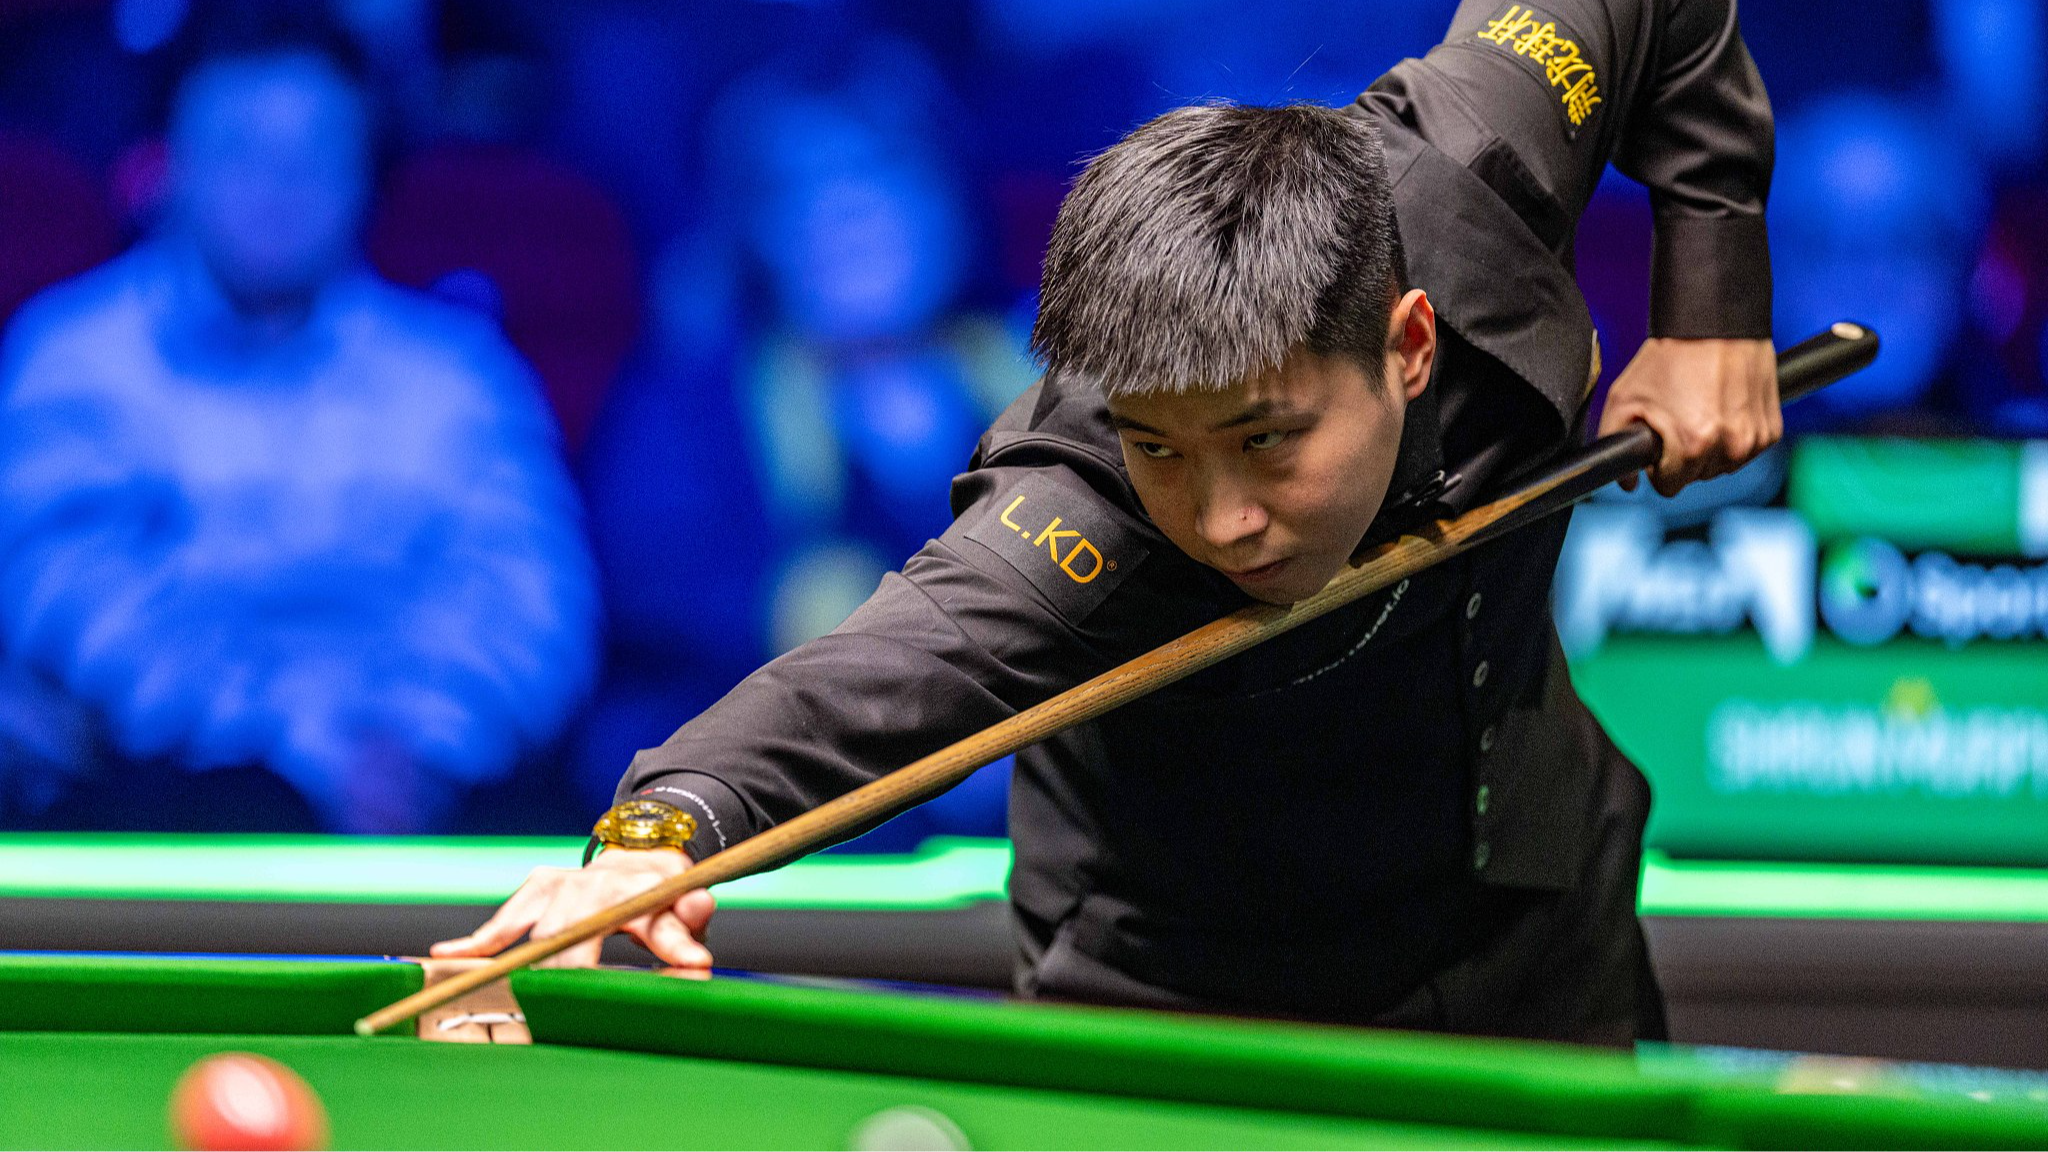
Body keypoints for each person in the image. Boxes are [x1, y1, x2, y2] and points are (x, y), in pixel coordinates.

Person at [439, 0, 1777, 1046]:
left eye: (1269, 441)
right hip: (1171, 965)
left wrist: (1712, 297)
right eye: (1163, 450)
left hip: (1518, 918)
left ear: (1410, 345)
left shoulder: (1473, 158)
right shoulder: (1082, 500)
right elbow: (901, 662)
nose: (1225, 518)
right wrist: (653, 837)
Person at [0, 8, 598, 833]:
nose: (277, 188)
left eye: (316, 154)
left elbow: (531, 594)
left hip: (427, 788)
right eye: (239, 150)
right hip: (161, 795)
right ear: (166, 166)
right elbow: (70, 594)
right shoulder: (73, 351)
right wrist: (291, 738)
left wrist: (418, 736)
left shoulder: (459, 370)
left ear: (368, 175)